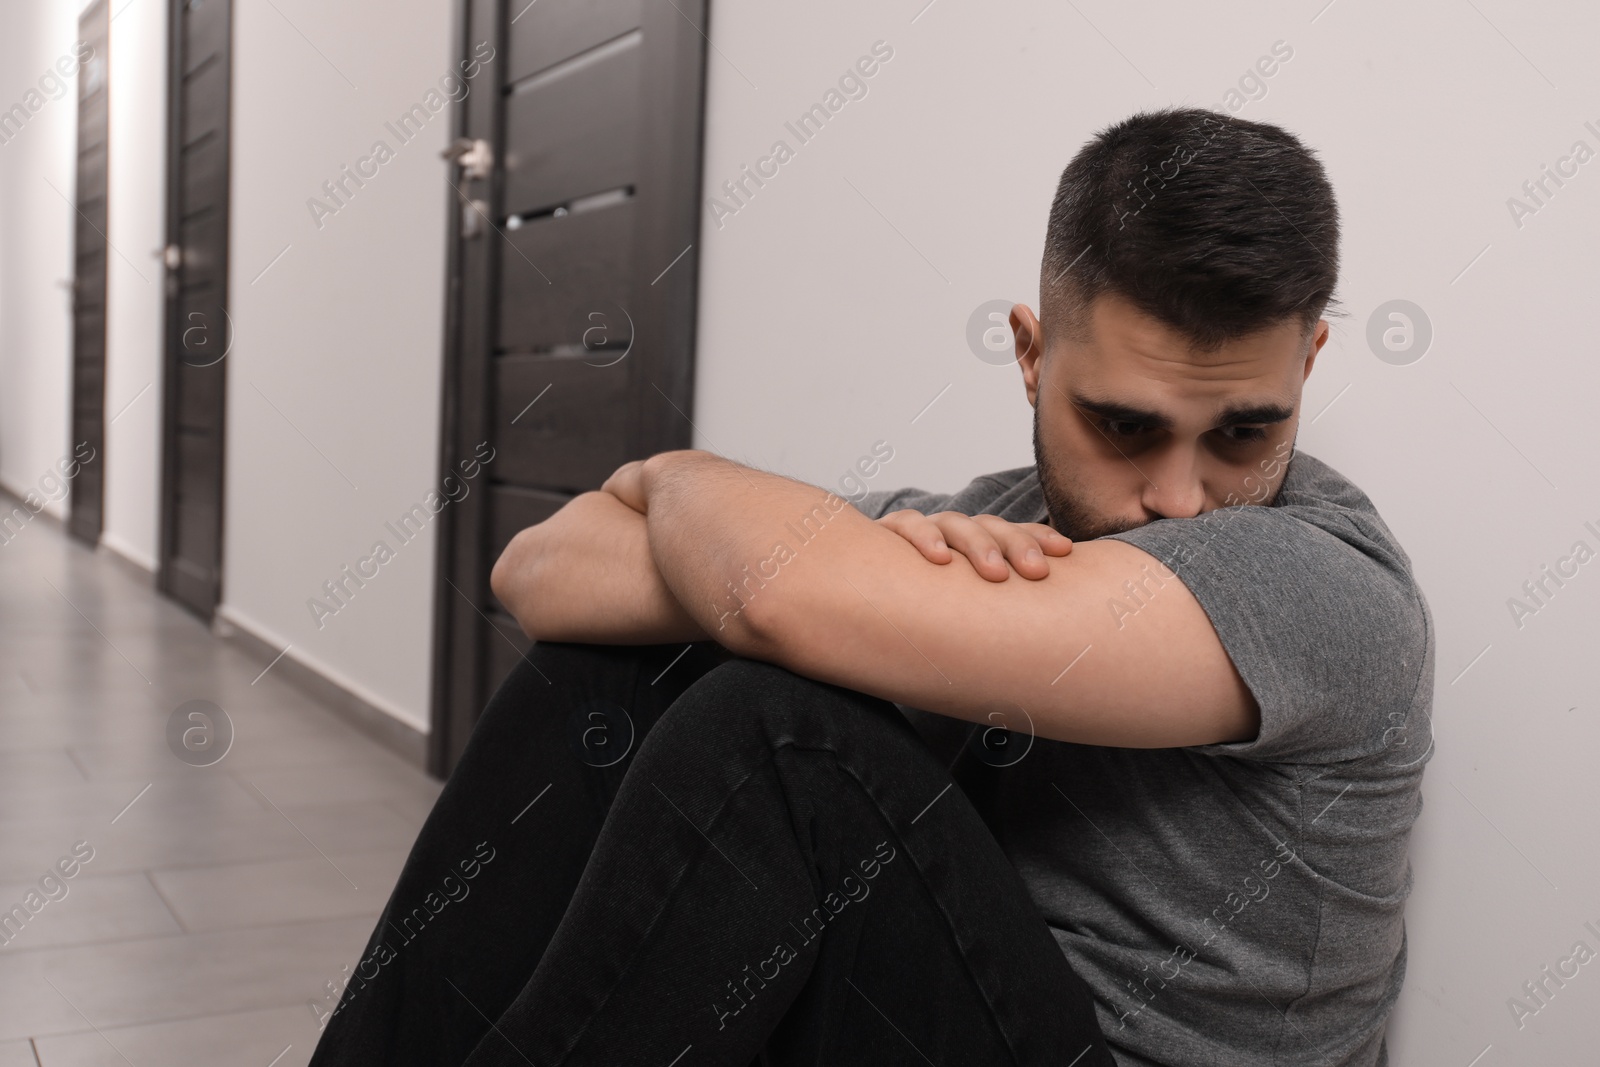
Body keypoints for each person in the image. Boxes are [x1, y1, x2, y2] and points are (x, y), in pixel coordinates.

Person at [309, 105, 1434, 1066]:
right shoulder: (996, 522)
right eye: (1124, 426)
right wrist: (752, 537)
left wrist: (686, 481)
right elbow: (539, 573)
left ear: (1308, 367)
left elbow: (767, 597)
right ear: (1034, 357)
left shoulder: (1319, 585)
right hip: (931, 1006)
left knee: (784, 733)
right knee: (610, 675)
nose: (1181, 497)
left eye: (1245, 431)